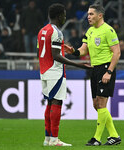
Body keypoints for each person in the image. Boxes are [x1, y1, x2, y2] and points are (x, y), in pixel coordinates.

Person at [65, 4, 121, 146]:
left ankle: (96, 139)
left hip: (106, 68)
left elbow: (117, 52)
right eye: (88, 14)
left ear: (100, 15)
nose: (88, 17)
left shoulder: (108, 30)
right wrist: (73, 51)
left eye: (91, 14)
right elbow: (83, 50)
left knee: (101, 103)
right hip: (94, 69)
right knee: (97, 105)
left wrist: (109, 71)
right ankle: (114, 135)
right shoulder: (90, 31)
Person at [37, 3, 92, 147]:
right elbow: (56, 56)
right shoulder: (57, 32)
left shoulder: (42, 31)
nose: (65, 18)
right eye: (64, 15)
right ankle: (54, 140)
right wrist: (78, 64)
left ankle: (48, 139)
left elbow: (44, 51)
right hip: (55, 71)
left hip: (44, 71)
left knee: (50, 103)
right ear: (59, 16)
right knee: (56, 103)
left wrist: (64, 48)